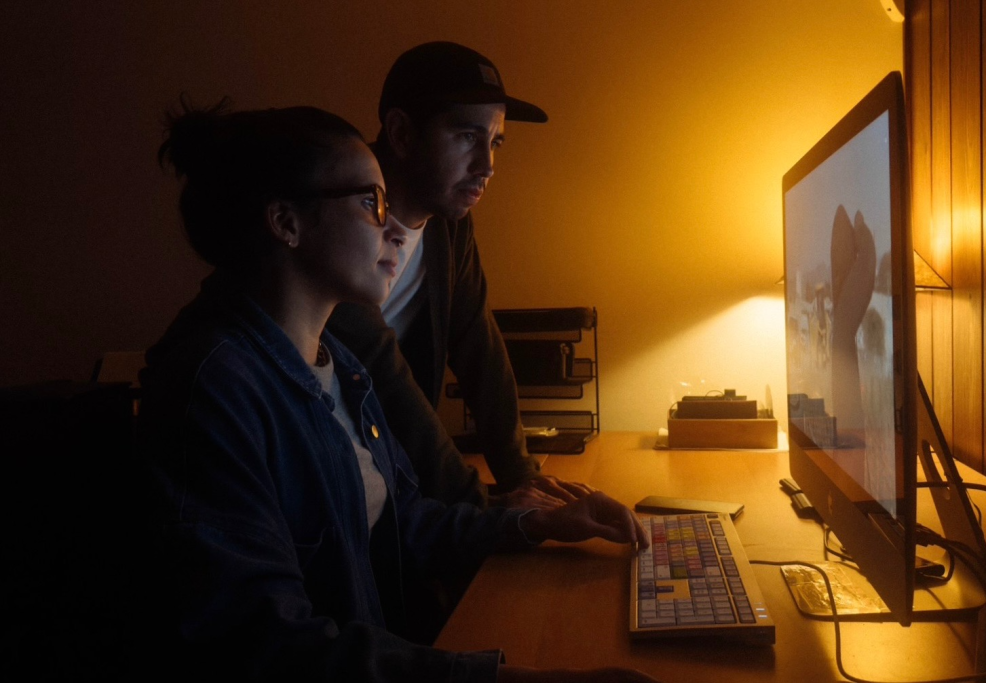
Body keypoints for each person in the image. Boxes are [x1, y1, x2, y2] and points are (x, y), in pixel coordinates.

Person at [138, 100, 656, 683]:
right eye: (370, 203)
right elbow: (268, 645)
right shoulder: (215, 389)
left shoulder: (341, 369)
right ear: (286, 222)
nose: (394, 228)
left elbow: (402, 522)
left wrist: (537, 523)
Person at [327, 42, 582, 509]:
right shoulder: (338, 222)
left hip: (393, 481)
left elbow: (479, 347)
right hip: (326, 484)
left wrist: (522, 477)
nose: (487, 166)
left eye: (495, 141)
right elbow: (383, 370)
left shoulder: (449, 225)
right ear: (401, 133)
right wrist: (485, 507)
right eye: (467, 137)